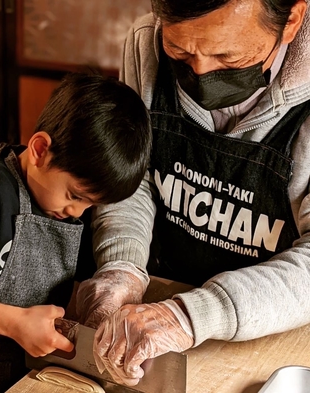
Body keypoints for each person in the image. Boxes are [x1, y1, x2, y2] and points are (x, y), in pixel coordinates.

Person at [75, 0, 310, 387]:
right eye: (180, 52)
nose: (200, 71)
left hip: (272, 329)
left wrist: (189, 316)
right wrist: (121, 267)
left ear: (292, 21)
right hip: (159, 296)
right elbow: (134, 179)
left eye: (228, 56)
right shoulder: (145, 44)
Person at [0, 71, 152, 392]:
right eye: (74, 196)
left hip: (27, 376)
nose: (76, 213)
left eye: (90, 205)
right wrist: (13, 323)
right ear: (41, 149)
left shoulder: (63, 203)